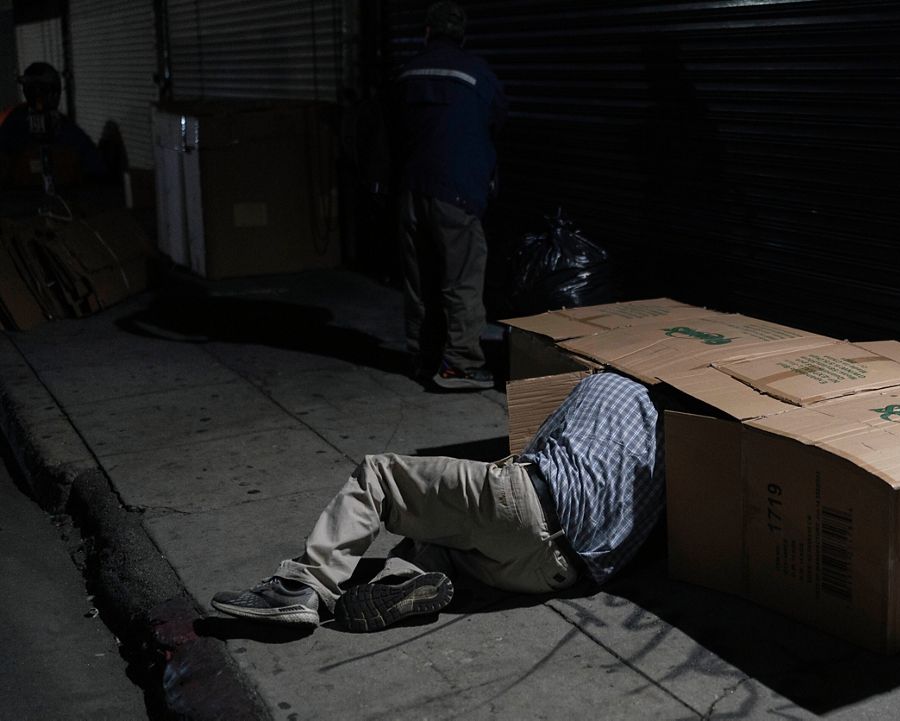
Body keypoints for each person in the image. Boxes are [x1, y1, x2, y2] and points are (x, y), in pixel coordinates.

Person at [211, 372, 665, 631]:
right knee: (446, 540)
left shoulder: (605, 383)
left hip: (530, 504)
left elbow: (532, 452)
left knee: (379, 474)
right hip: (556, 573)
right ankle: (404, 579)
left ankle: (302, 588)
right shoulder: (673, 450)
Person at [396, 1, 507, 391]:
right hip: (456, 193)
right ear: (462, 35)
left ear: (426, 32)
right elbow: (499, 125)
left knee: (421, 281)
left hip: (413, 191)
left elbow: (388, 131)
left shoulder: (406, 72)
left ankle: (422, 358)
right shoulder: (477, 73)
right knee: (461, 280)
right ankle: (459, 364)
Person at [0, 62, 105, 191]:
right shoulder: (14, 122)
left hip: (64, 201)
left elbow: (94, 166)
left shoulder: (65, 127)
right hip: (21, 201)